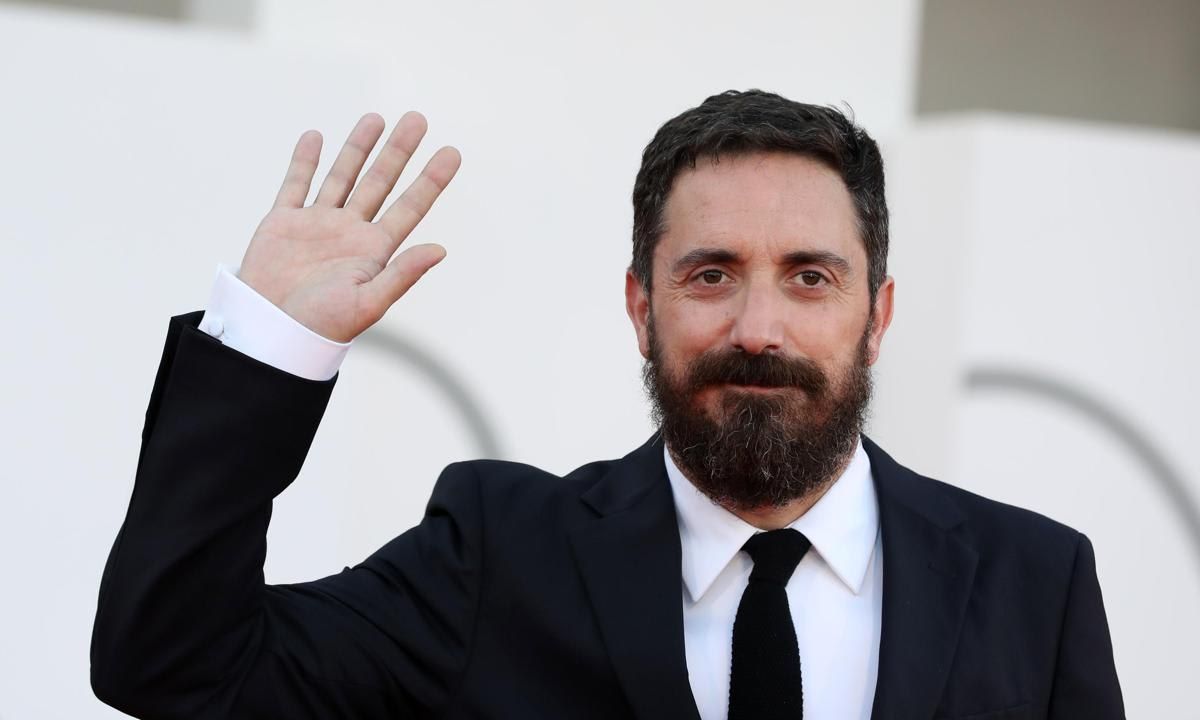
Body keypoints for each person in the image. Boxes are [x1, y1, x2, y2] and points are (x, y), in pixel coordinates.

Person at [91, 90, 1124, 719]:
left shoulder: (1035, 582)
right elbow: (176, 667)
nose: (758, 327)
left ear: (878, 312)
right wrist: (271, 348)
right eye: (711, 274)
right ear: (641, 305)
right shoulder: (499, 558)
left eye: (810, 277)